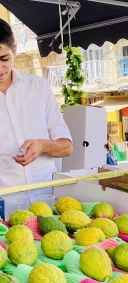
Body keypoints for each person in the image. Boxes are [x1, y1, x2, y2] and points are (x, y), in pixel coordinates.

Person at [0, 20, 73, 211]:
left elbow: (67, 148)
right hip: (5, 209)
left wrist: (44, 146)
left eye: (4, 59)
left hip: (47, 204)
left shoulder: (38, 87)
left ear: (14, 50)